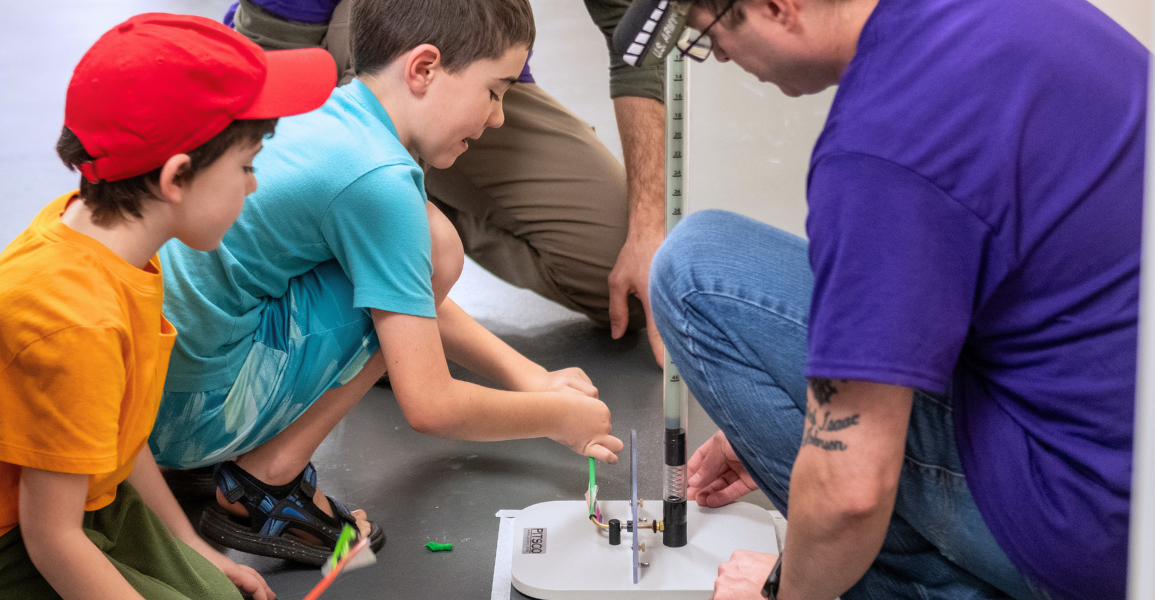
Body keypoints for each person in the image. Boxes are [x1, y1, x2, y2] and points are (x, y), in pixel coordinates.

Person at [635, 0, 1147, 598]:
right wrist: (793, 419)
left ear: (778, 7)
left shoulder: (881, 145)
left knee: (694, 270)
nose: (718, 54)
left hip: (1094, 535)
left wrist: (780, 592)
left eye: (711, 34)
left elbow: (850, 493)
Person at [150, 0, 625, 564]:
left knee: (424, 248)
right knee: (436, 246)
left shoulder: (334, 111)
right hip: (190, 423)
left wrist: (528, 376)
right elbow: (431, 405)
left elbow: (397, 292)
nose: (498, 117)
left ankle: (251, 464)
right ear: (423, 69)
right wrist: (557, 418)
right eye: (495, 91)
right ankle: (268, 477)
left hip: (150, 397)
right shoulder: (379, 180)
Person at [0, 13, 337, 599]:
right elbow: (51, 538)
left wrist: (195, 550)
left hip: (92, 496)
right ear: (177, 176)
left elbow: (121, 436)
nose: (253, 185)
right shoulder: (75, 320)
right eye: (247, 165)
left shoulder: (108, 240)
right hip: (22, 537)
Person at [222, 0, 671, 365]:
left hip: (470, 56)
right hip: (327, 53)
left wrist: (647, 228)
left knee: (623, 287)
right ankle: (374, 220)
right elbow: (269, 61)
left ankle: (412, 196)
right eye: (495, 99)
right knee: (380, 333)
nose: (497, 118)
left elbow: (634, 37)